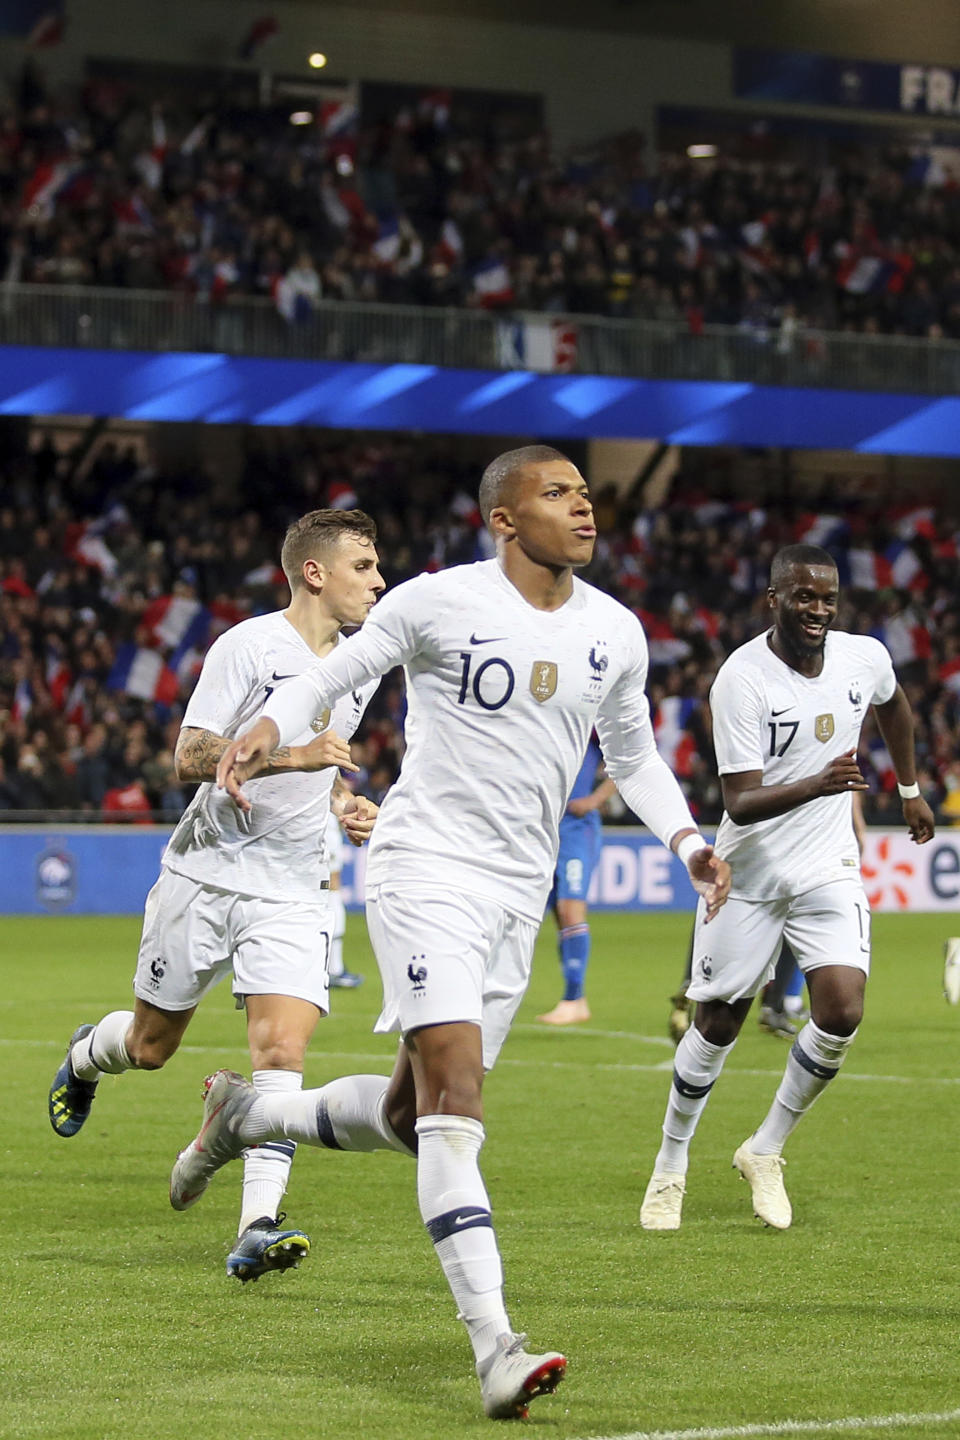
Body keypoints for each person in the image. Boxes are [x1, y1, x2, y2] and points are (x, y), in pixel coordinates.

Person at [172, 445, 731, 1420]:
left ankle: (246, 1116)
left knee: (405, 1117)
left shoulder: (617, 631)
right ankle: (495, 1346)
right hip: (424, 872)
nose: (584, 508)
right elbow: (333, 672)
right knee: (456, 1103)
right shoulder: (435, 599)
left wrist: (688, 841)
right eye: (558, 494)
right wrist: (265, 730)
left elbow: (633, 757)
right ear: (504, 520)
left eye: (587, 493)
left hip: (516, 898)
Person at [48, 509, 384, 1281]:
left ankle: (257, 1225)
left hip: (294, 886)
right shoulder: (248, 646)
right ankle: (86, 1055)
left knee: (281, 1053)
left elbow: (320, 772)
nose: (378, 580)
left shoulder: (362, 664)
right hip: (205, 874)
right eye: (363, 566)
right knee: (150, 1046)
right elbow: (190, 757)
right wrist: (296, 757)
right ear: (314, 572)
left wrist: (341, 803)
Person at [640, 543, 935, 1234]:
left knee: (841, 1009)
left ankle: (765, 1149)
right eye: (804, 597)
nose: (818, 610)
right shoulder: (742, 679)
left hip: (828, 868)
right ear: (773, 598)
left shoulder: (863, 657)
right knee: (717, 1024)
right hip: (749, 875)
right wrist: (821, 783)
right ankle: (670, 1165)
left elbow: (898, 711)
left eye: (828, 598)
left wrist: (911, 788)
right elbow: (739, 801)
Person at [537, 736, 616, 1025]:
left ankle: (572, 999)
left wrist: (595, 800)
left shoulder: (590, 728)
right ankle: (577, 999)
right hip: (543, 826)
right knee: (558, 915)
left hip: (576, 829)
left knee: (570, 911)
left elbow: (629, 761)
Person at [324, 807, 365, 989]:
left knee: (326, 891)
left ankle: (330, 966)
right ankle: (334, 968)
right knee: (332, 889)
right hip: (323, 826)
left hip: (312, 825)